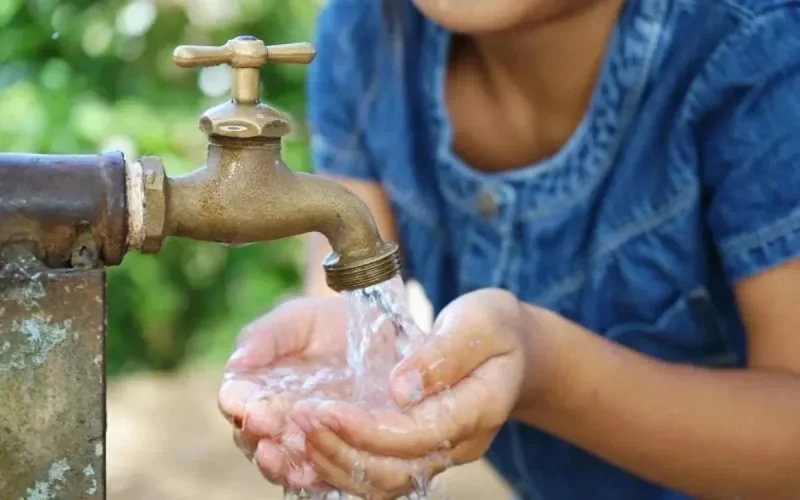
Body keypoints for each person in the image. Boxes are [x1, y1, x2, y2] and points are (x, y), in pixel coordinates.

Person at [219, 0, 800, 498]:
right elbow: (350, 277)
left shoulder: (760, 51)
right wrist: (336, 389)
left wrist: (548, 371)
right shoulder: (368, 32)